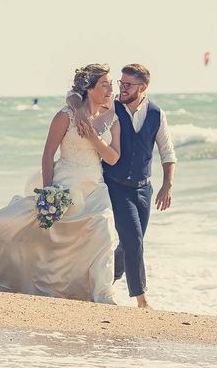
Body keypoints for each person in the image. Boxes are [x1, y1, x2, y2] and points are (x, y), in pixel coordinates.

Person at [0, 64, 121, 304]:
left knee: (103, 230)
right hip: (65, 183)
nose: (110, 89)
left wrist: (93, 137)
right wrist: (48, 192)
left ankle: (101, 294)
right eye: (104, 84)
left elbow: (113, 157)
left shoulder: (112, 118)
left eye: (111, 84)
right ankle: (3, 274)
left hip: (95, 187)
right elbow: (48, 154)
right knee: (48, 238)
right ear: (89, 89)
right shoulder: (65, 116)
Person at [67, 64, 176, 308]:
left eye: (128, 85)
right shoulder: (110, 105)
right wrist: (79, 111)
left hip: (143, 189)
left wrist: (167, 185)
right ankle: (142, 300)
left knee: (128, 244)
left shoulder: (157, 114)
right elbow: (74, 96)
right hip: (116, 186)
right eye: (120, 83)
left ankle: (106, 282)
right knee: (134, 241)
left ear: (143, 88)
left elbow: (167, 152)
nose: (121, 88)